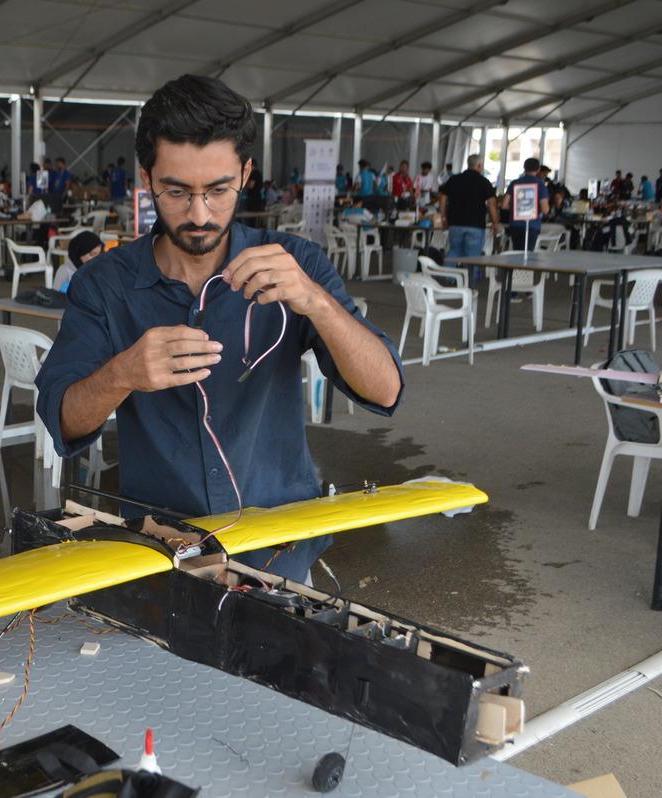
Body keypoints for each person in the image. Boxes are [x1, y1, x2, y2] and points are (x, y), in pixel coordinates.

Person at [35, 74, 402, 582]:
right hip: (164, 554)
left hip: (280, 552)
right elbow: (61, 420)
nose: (199, 214)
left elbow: (385, 390)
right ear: (147, 178)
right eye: (176, 191)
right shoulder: (104, 285)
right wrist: (122, 374)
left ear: (246, 173)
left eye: (218, 190)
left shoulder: (296, 263)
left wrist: (316, 302)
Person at [440, 154, 500, 285]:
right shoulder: (484, 182)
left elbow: (443, 199)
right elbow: (492, 204)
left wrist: (443, 217)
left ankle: (448, 279)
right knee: (473, 256)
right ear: (479, 165)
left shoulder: (454, 179)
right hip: (475, 225)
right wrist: (495, 223)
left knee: (454, 251)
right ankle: (470, 284)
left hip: (455, 224)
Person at [502, 157, 550, 251]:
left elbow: (504, 205)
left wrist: (516, 208)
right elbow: (545, 210)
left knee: (517, 252)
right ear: (538, 169)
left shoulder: (514, 183)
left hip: (515, 224)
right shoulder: (540, 185)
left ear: (524, 168)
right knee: (527, 254)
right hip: (532, 225)